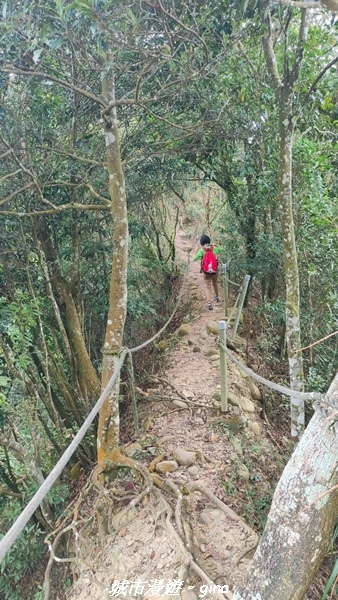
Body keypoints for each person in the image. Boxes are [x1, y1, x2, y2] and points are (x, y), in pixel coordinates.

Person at [193, 234, 223, 311]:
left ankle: (209, 303)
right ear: (209, 241)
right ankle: (217, 297)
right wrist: (216, 244)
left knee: (207, 287)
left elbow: (194, 259)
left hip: (206, 272)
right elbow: (222, 249)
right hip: (215, 271)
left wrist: (196, 250)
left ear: (201, 243)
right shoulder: (214, 248)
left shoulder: (202, 250)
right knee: (215, 283)